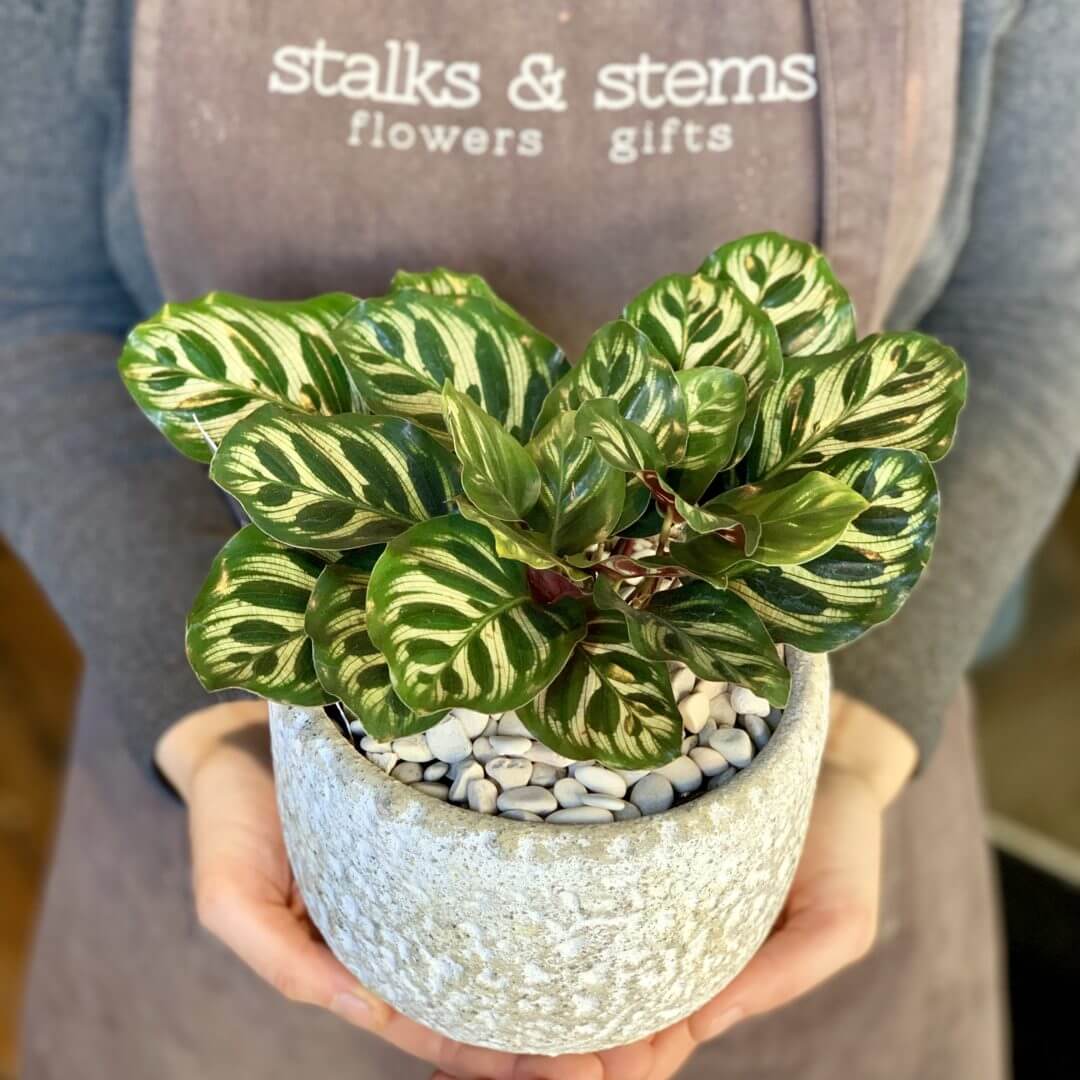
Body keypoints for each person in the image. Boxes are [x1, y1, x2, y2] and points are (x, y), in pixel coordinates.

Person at [3, 1, 1079, 1077]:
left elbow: (1034, 308)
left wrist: (852, 745)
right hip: (234, 877)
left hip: (795, 911)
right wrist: (220, 742)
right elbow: (32, 303)